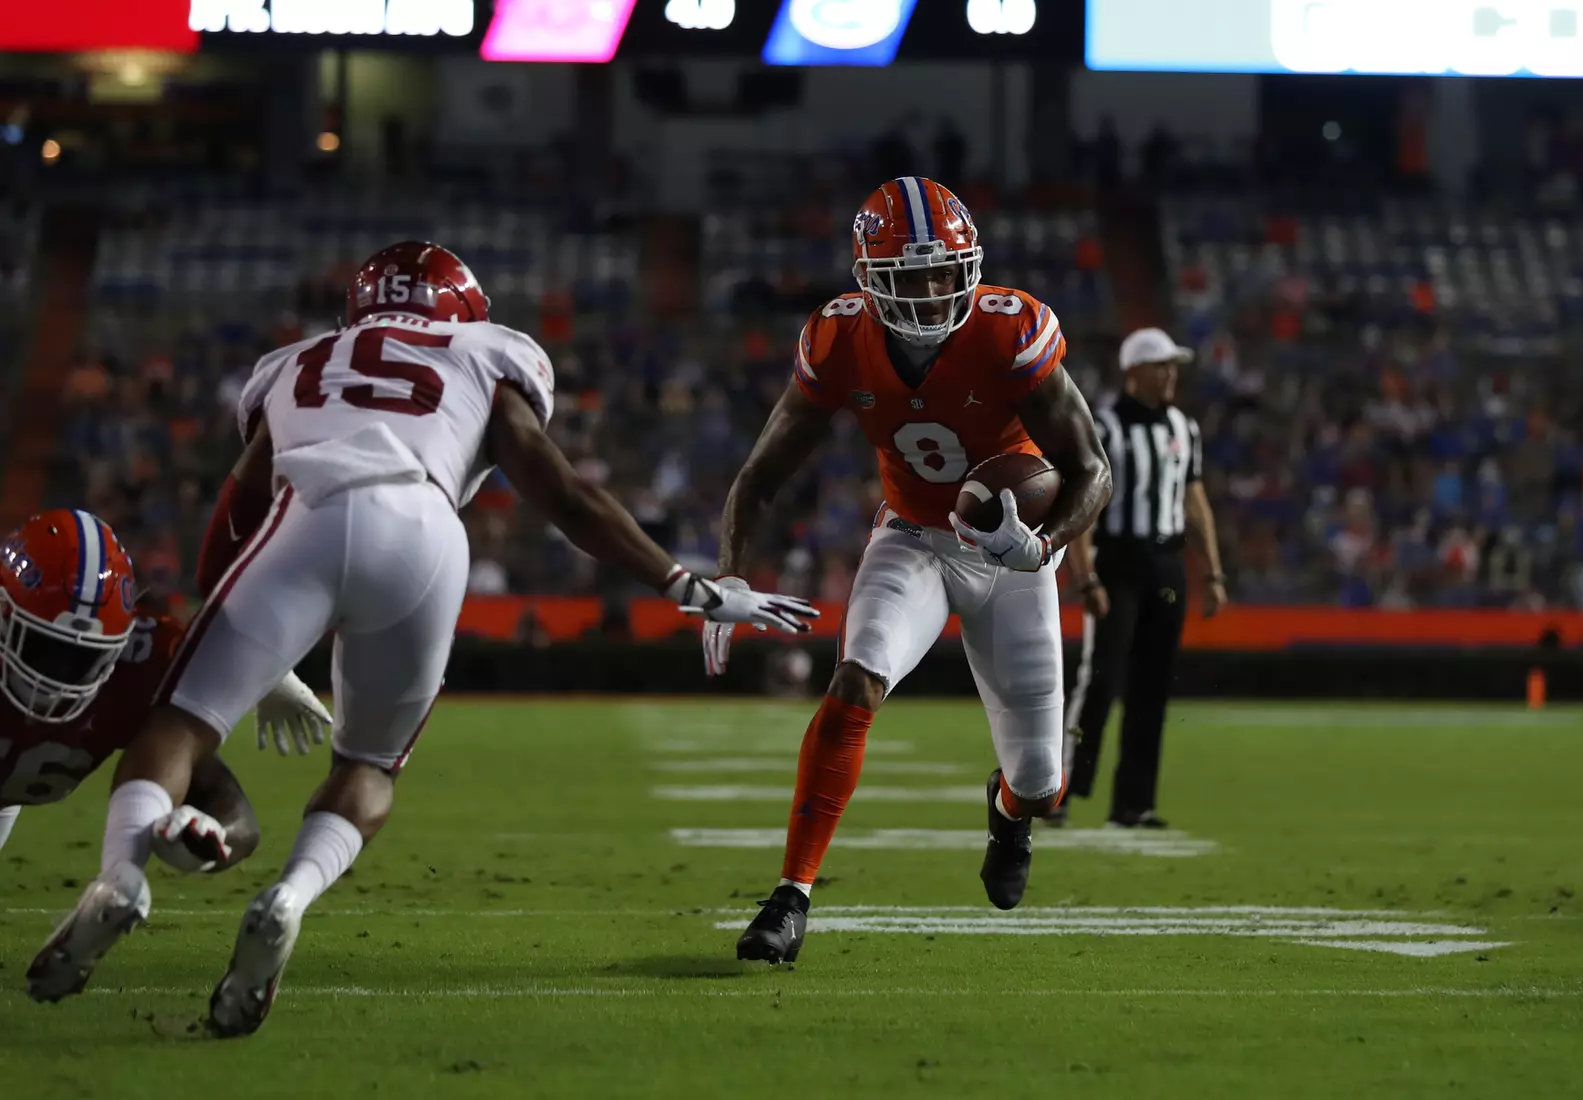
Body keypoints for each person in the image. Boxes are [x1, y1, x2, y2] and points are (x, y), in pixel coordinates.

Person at [30, 242, 817, 1034]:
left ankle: (120, 877)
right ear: (464, 311)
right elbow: (563, 492)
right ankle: (290, 895)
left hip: (306, 511)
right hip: (427, 531)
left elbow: (227, 534)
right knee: (368, 766)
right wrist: (682, 585)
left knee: (180, 726)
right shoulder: (486, 352)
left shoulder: (302, 360)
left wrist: (253, 653)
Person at [706, 177, 1112, 963]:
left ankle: (1007, 814)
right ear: (867, 278)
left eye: (943, 271)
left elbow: (1091, 468)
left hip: (1010, 552)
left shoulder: (1008, 328)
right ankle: (790, 897)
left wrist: (1041, 545)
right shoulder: (838, 337)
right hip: (913, 537)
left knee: (1041, 781)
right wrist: (729, 575)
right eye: (910, 275)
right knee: (857, 678)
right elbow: (761, 472)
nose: (930, 293)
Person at [2, 509, 331, 873]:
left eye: (86, 656)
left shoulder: (138, 667)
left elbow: (238, 822)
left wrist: (203, 841)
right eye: (42, 647)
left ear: (119, 643)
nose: (60, 676)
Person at [1055, 328, 1226, 828]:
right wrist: (1085, 578)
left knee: (1153, 686)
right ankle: (1063, 785)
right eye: (1162, 365)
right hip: (1118, 563)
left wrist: (1213, 571)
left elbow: (1194, 502)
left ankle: (1134, 802)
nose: (1171, 374)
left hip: (1166, 564)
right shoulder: (1103, 427)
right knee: (1101, 679)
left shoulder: (1183, 426)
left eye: (1174, 365)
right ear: (1134, 371)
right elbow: (1084, 505)